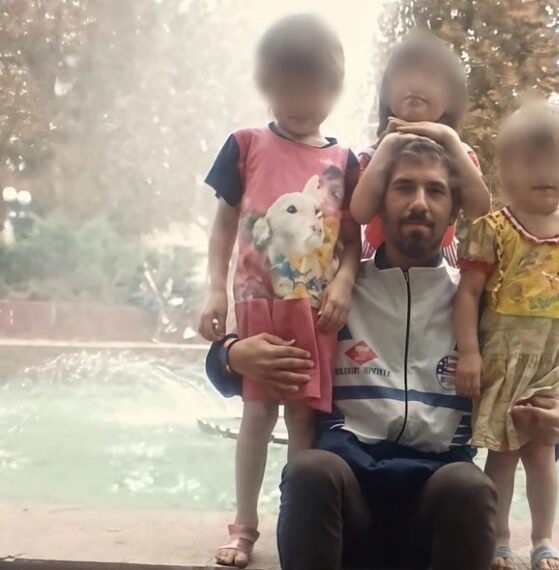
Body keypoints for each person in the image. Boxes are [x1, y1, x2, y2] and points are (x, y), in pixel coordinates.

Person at [205, 138, 559, 570]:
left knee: (471, 486)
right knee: (309, 471)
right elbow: (224, 370)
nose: (419, 202)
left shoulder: (479, 304)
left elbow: (538, 386)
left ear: (453, 212)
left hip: (436, 499)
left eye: (435, 191)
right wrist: (231, 355)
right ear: (379, 205)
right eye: (404, 187)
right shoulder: (337, 290)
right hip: (346, 498)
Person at [197, 15, 362, 567]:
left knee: (302, 421)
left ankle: (298, 523)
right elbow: (224, 225)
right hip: (259, 308)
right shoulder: (245, 145)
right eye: (286, 89)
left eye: (313, 90)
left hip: (314, 312)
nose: (300, 103)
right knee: (257, 414)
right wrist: (215, 291)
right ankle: (243, 524)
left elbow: (353, 241)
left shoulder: (344, 163)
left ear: (334, 90)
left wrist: (343, 282)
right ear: (266, 84)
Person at [454, 101, 559, 570]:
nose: (544, 174)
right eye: (529, 163)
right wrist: (469, 353)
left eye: (555, 164)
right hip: (504, 355)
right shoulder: (494, 230)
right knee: (502, 454)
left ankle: (543, 537)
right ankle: (499, 538)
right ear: (504, 172)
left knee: (541, 451)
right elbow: (467, 294)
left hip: (550, 360)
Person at [350, 31, 491, 266]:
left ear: (451, 99)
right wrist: (388, 144)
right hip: (377, 263)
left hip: (441, 262)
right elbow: (360, 212)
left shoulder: (460, 153)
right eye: (403, 76)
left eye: (430, 77)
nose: (415, 84)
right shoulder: (372, 155)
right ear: (386, 95)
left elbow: (479, 209)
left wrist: (449, 138)